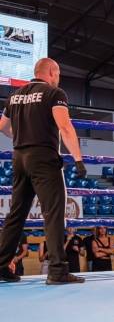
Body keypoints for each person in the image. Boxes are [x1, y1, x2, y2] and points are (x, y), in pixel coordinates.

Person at [0, 57, 86, 284]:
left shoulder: (14, 96)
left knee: (16, 214)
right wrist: (78, 159)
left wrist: (20, 137)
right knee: (54, 212)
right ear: (51, 72)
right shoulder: (54, 93)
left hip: (19, 157)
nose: (58, 79)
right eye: (57, 74)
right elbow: (65, 126)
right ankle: (57, 270)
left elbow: (2, 127)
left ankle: (1, 266)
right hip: (43, 158)